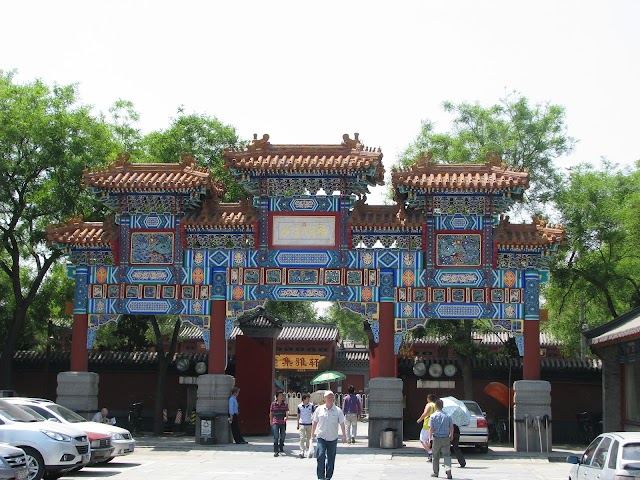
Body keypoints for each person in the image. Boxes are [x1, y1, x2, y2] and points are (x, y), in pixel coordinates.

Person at [312, 390, 346, 480]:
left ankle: (328, 477)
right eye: (328, 397)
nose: (330, 398)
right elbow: (315, 422)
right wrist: (312, 435)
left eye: (332, 397)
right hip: (321, 437)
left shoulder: (338, 410)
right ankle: (320, 477)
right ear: (324, 399)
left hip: (333, 438)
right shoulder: (319, 409)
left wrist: (344, 435)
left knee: (331, 459)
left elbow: (342, 423)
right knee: (320, 455)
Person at [429, 399, 454, 479]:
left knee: (435, 456)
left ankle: (435, 472)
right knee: (447, 455)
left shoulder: (433, 416)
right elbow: (451, 427)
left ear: (436, 406)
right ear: (443, 406)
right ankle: (448, 469)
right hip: (446, 438)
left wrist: (430, 438)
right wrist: (451, 435)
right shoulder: (448, 416)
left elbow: (431, 428)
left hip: (436, 438)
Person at [416, 394, 437, 461]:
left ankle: (430, 453)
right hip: (434, 424)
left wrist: (420, 419)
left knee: (422, 439)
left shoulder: (429, 405)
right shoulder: (436, 405)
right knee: (430, 440)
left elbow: (425, 413)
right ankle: (432, 453)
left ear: (428, 399)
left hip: (427, 424)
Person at [269, 391, 288, 456]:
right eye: (280, 396)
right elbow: (271, 413)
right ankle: (276, 450)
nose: (281, 397)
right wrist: (271, 421)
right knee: (276, 436)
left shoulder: (285, 404)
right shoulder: (273, 404)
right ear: (277, 397)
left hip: (282, 422)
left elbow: (287, 412)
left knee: (283, 436)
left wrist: (286, 417)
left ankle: (281, 446)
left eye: (282, 396)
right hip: (276, 422)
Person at [297, 393, 316, 458]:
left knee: (309, 438)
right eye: (307, 398)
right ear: (304, 399)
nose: (308, 400)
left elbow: (313, 414)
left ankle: (308, 450)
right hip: (302, 423)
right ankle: (301, 451)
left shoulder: (311, 406)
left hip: (309, 424)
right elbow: (298, 415)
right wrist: (297, 424)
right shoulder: (299, 406)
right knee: (302, 438)